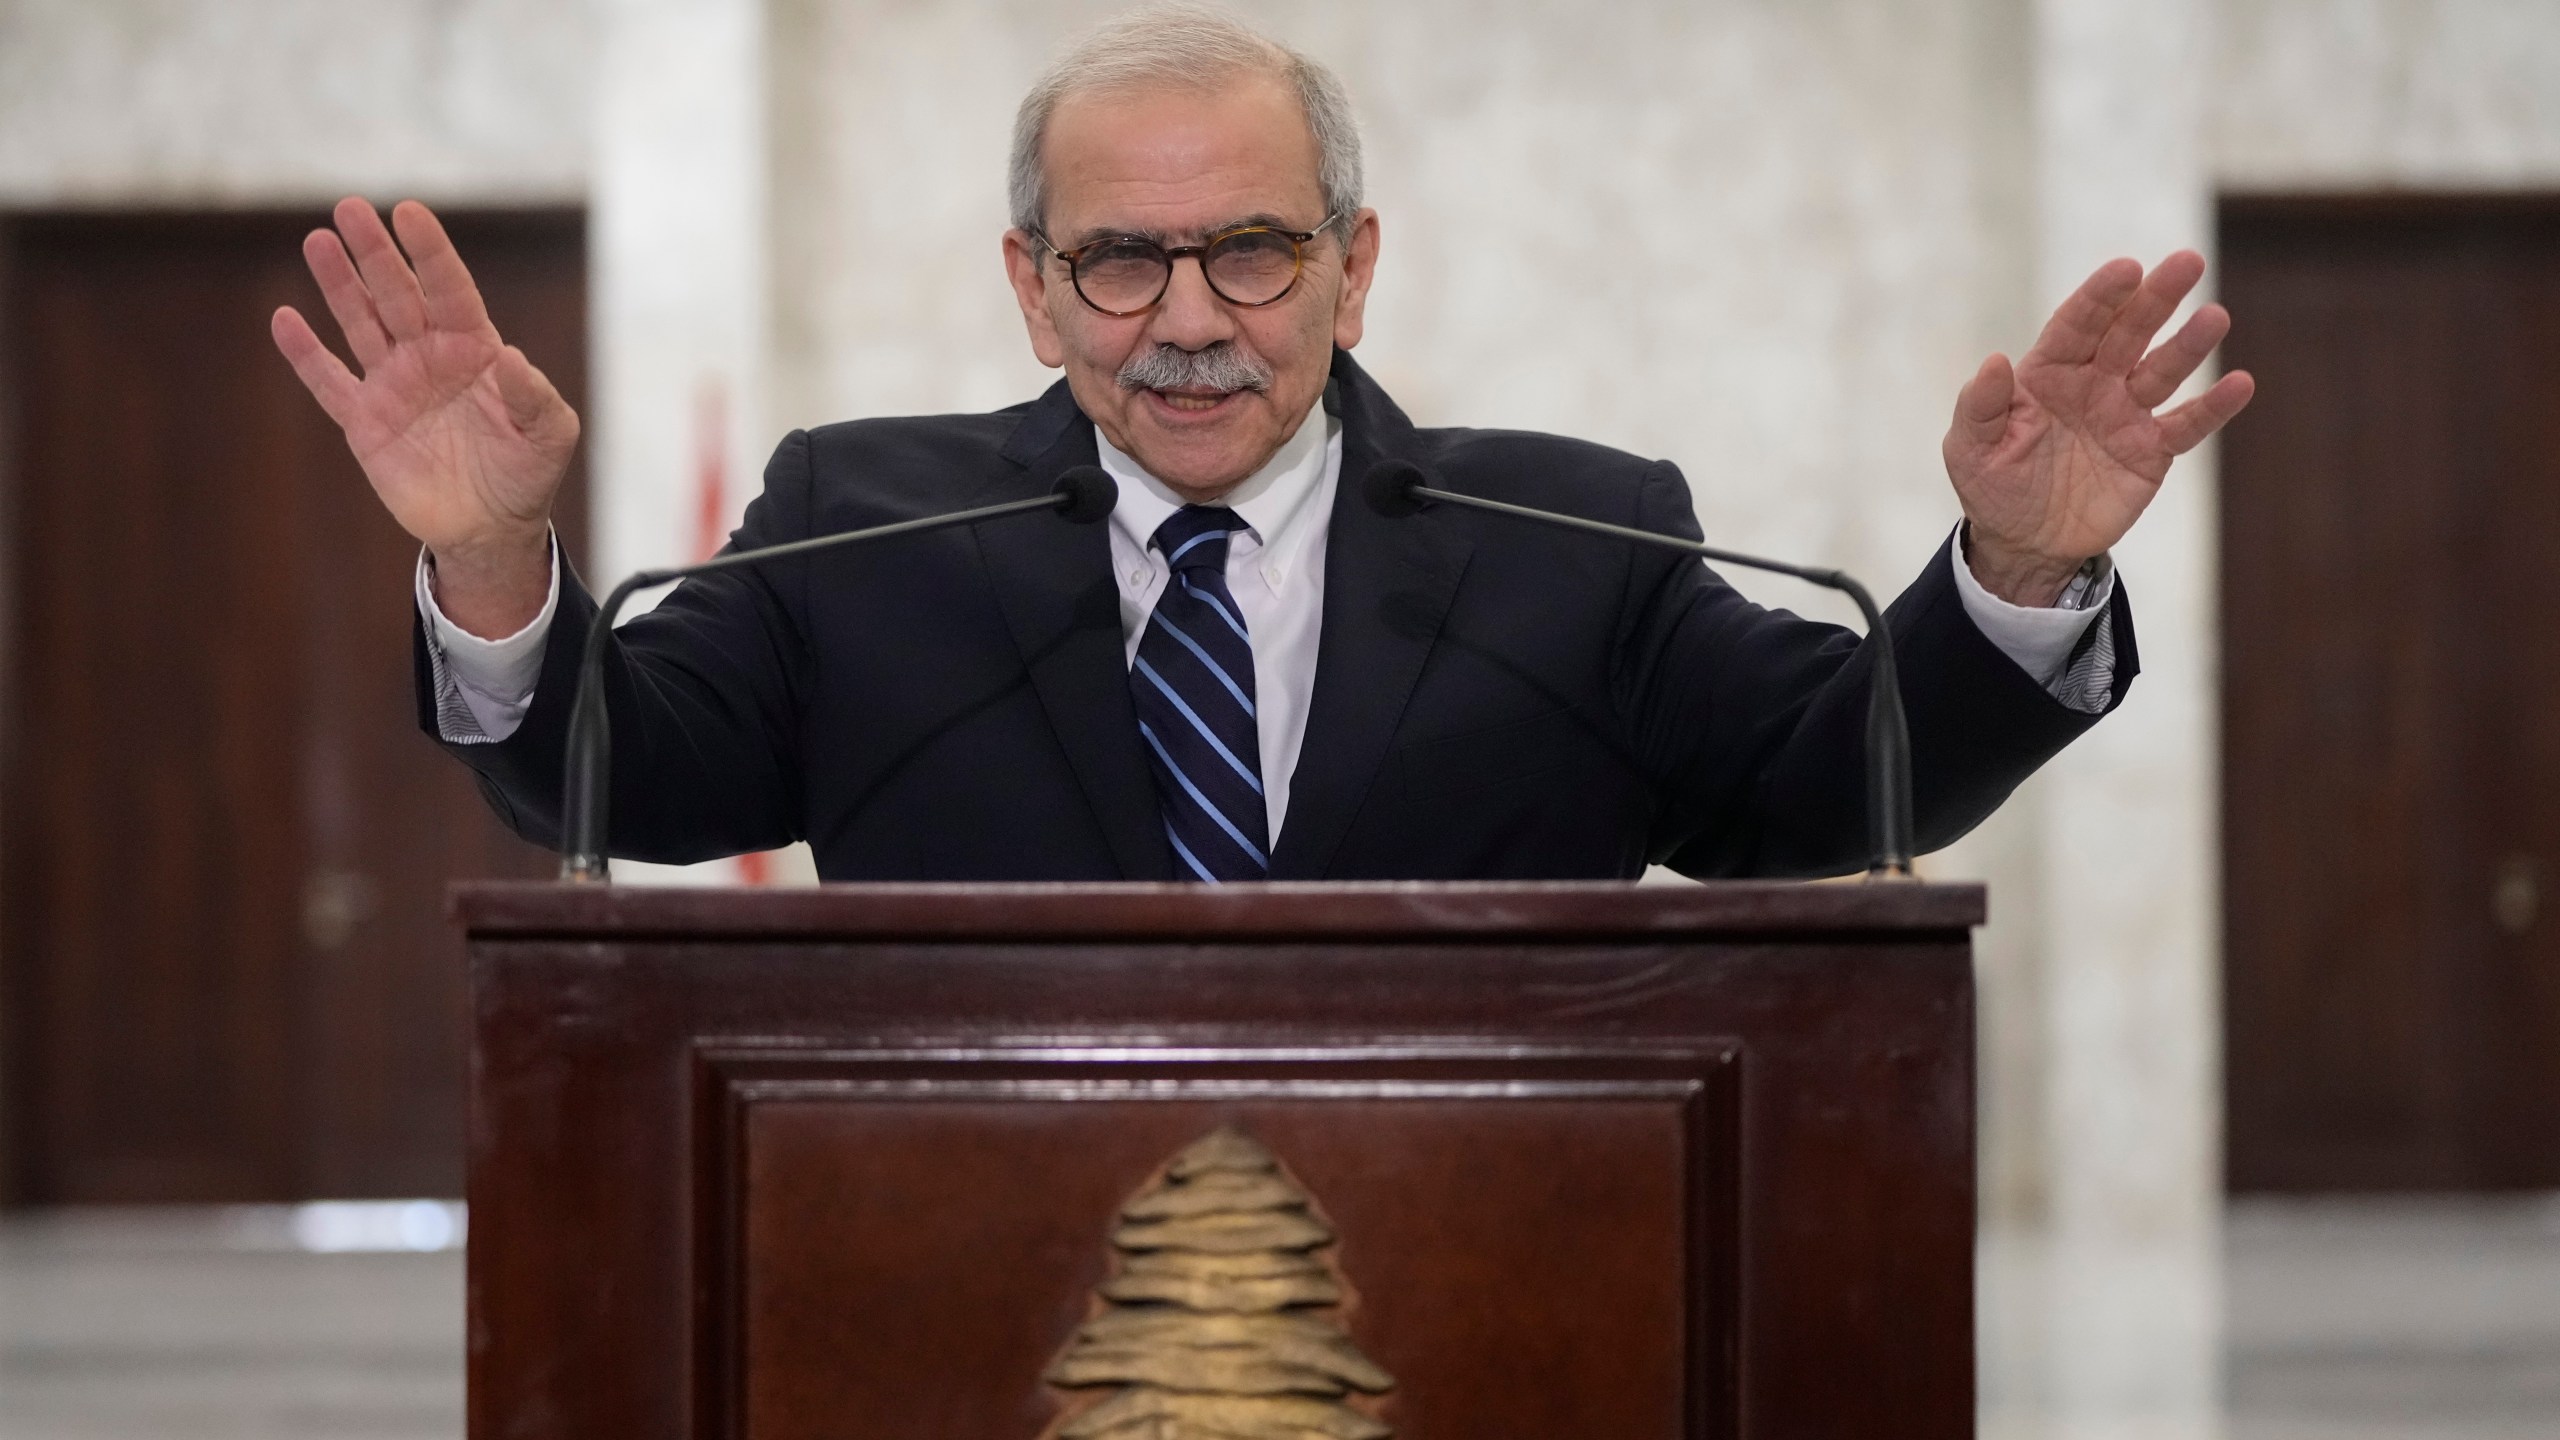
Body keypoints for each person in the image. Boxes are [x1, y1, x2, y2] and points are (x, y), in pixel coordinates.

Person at [268, 7, 2253, 882]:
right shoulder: (847, 526)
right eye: (1121, 260)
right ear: (1032, 290)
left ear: (1351, 266)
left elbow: (1841, 783)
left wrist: (2012, 573)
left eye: (1249, 248)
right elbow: (611, 781)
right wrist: (491, 570)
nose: (1191, 318)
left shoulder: (1572, 537)